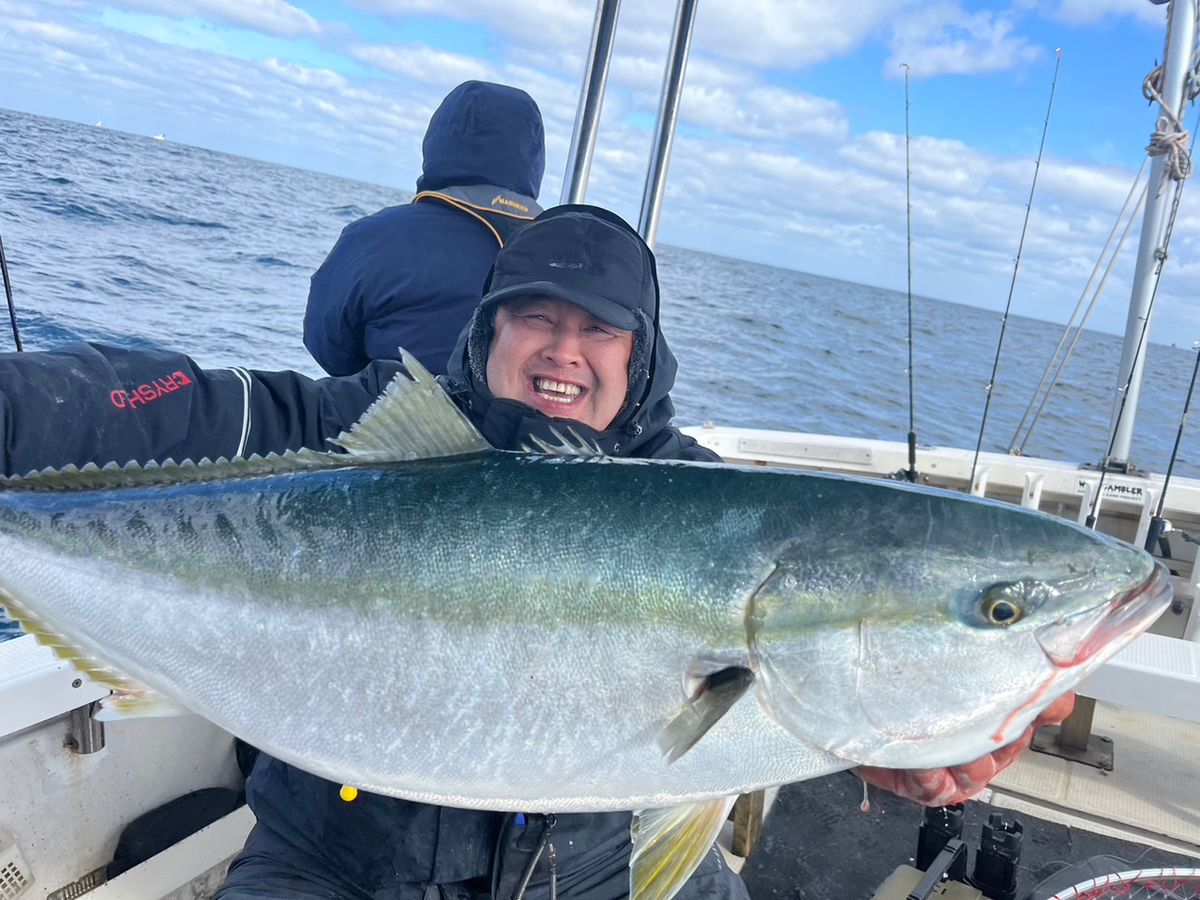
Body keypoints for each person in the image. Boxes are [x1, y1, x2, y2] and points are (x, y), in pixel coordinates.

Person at [0, 205, 1071, 898]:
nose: (565, 351)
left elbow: (802, 700)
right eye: (535, 319)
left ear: (640, 358)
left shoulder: (705, 495)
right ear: (488, 334)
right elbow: (191, 412)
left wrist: (880, 739)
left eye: (601, 330)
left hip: (584, 872)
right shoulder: (374, 428)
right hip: (331, 859)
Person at [304, 79, 546, 378]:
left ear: (436, 143)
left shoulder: (375, 237)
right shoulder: (568, 253)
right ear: (534, 157)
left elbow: (327, 344)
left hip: (386, 417)